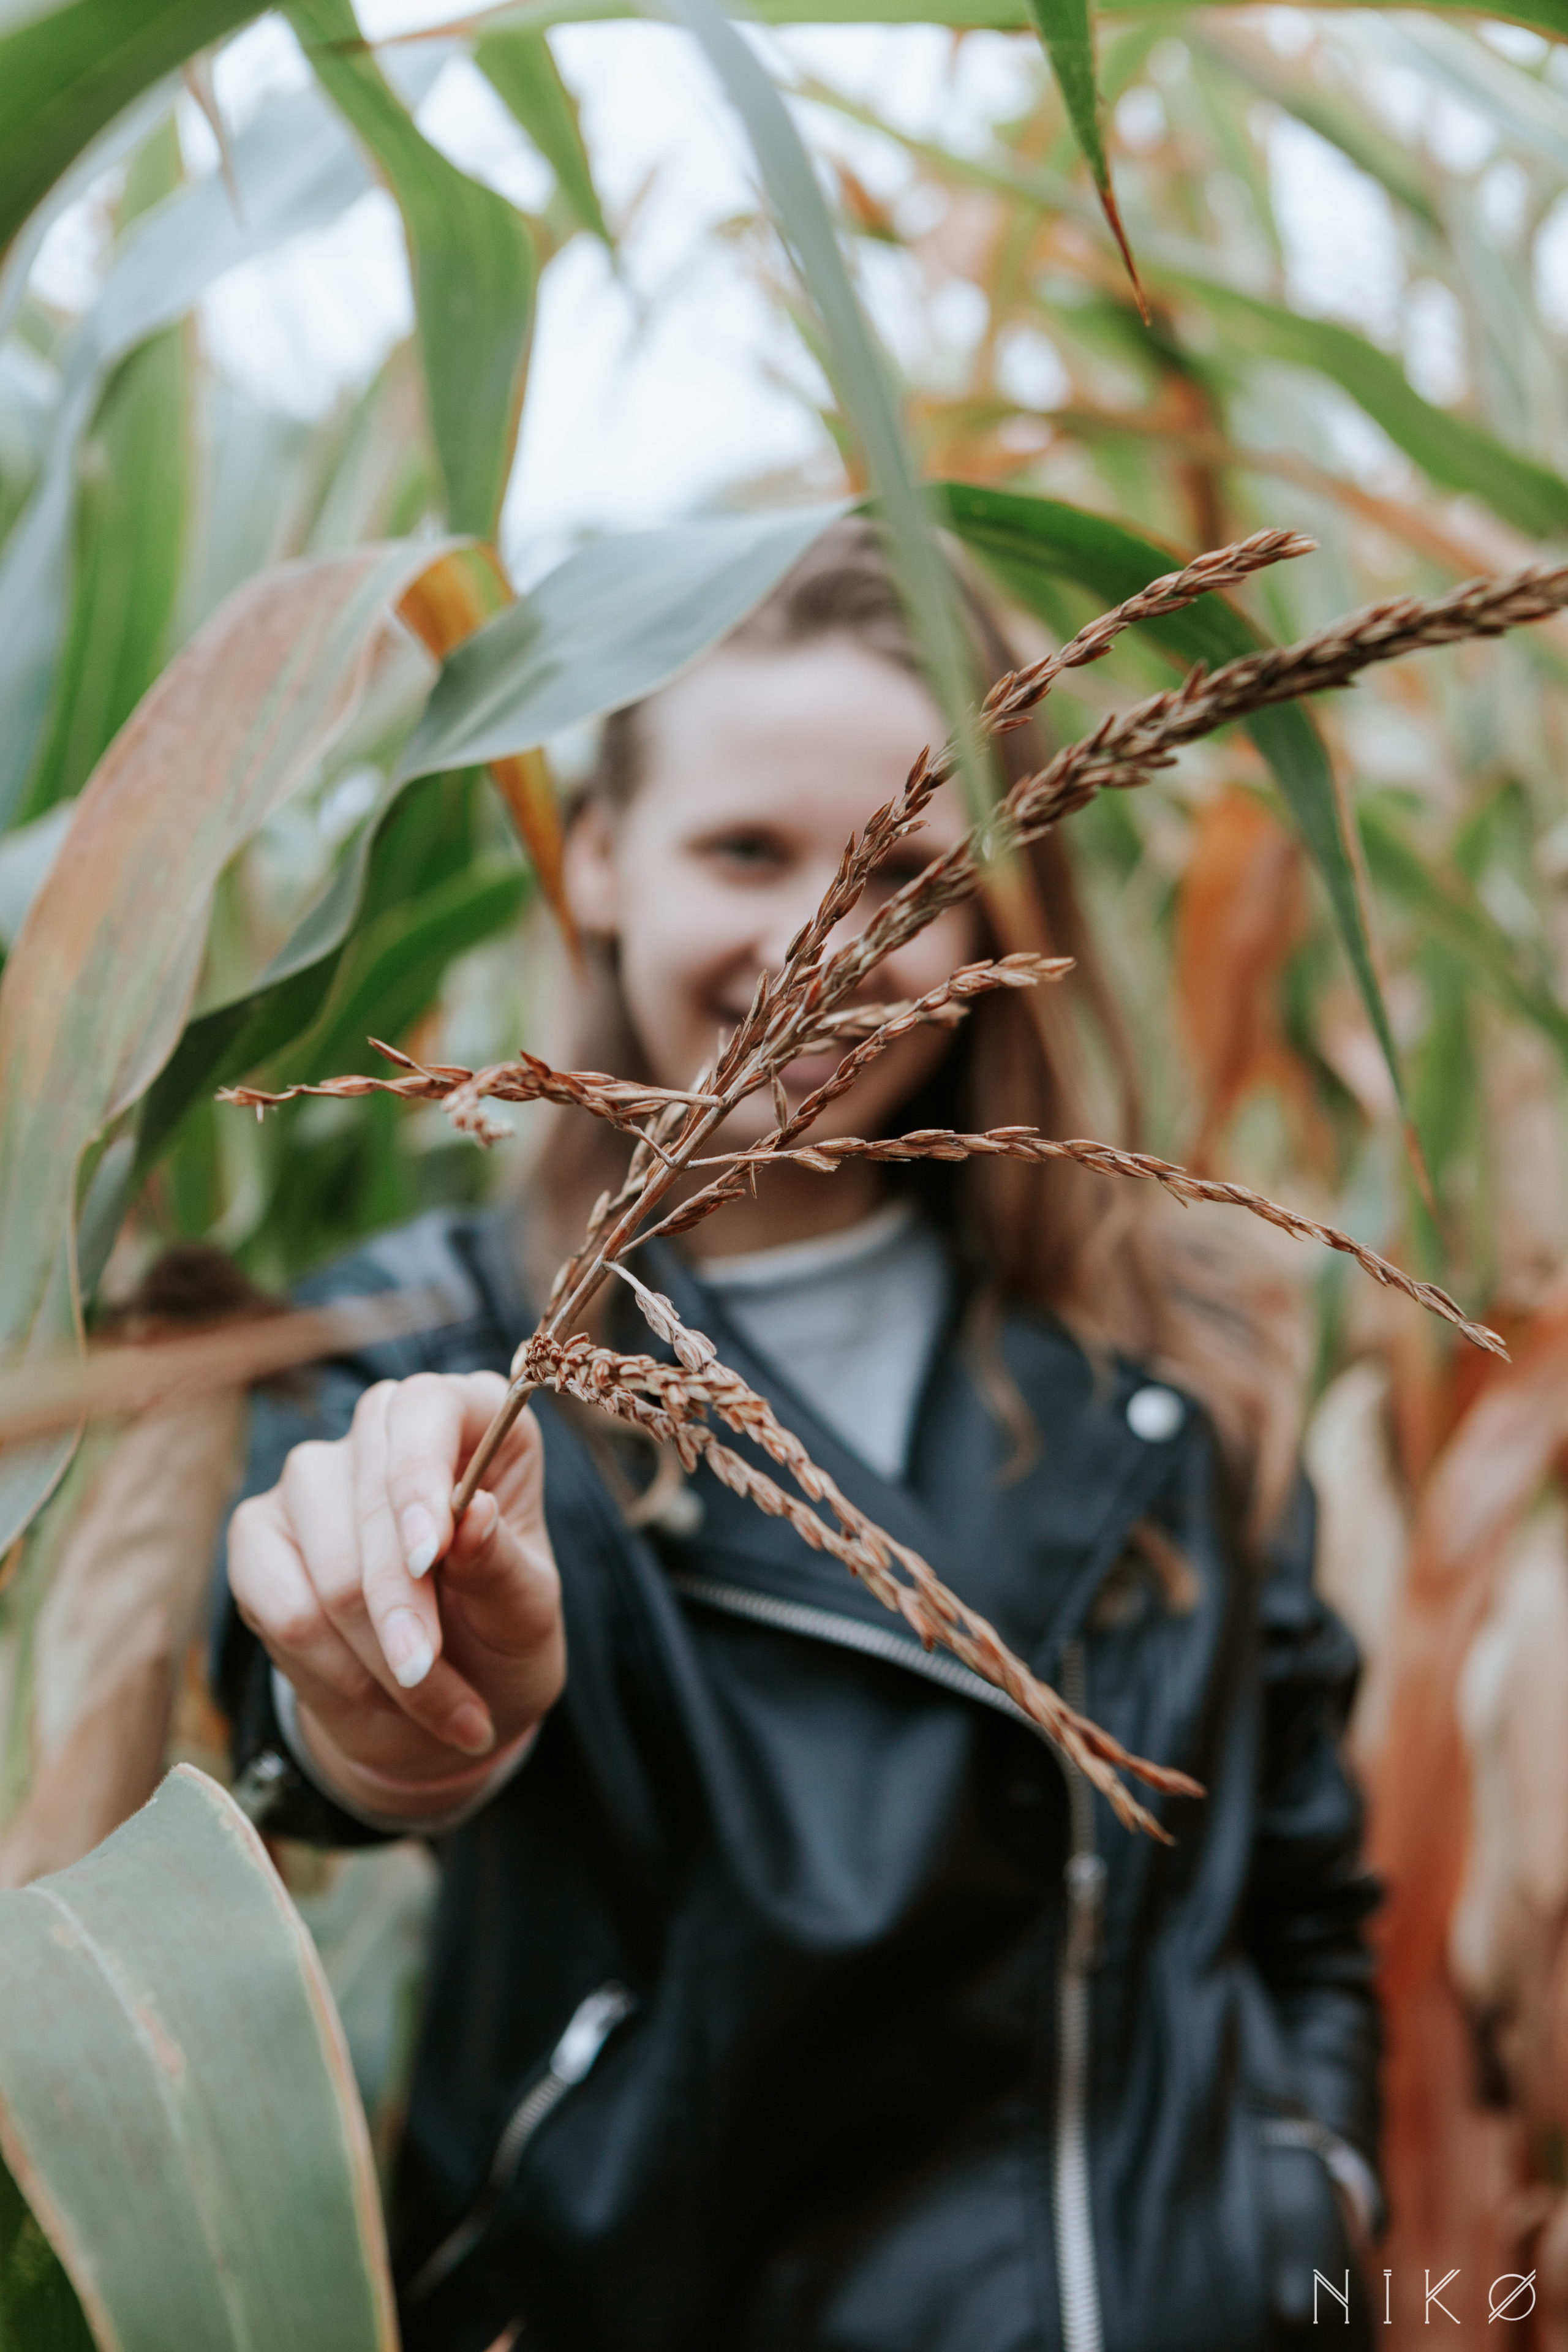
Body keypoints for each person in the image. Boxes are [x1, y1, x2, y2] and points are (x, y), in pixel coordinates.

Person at [221, 521, 1381, 2352]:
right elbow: (299, 1753)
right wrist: (387, 1724)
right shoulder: (432, 1355)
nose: (826, 948)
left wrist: (1314, 2210)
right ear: (598, 856)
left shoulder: (1180, 1356)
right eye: (747, 851)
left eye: (905, 873)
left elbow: (1301, 1890)